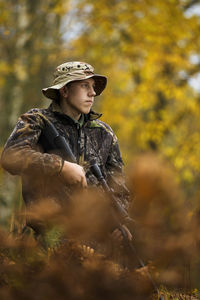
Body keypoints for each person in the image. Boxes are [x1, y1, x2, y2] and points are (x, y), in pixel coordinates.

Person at [1, 61, 132, 253]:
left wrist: (117, 224)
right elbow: (11, 156)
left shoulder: (104, 133)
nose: (92, 93)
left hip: (95, 249)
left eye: (93, 86)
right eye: (84, 85)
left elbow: (119, 187)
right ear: (64, 91)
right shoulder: (37, 120)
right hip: (45, 244)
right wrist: (60, 166)